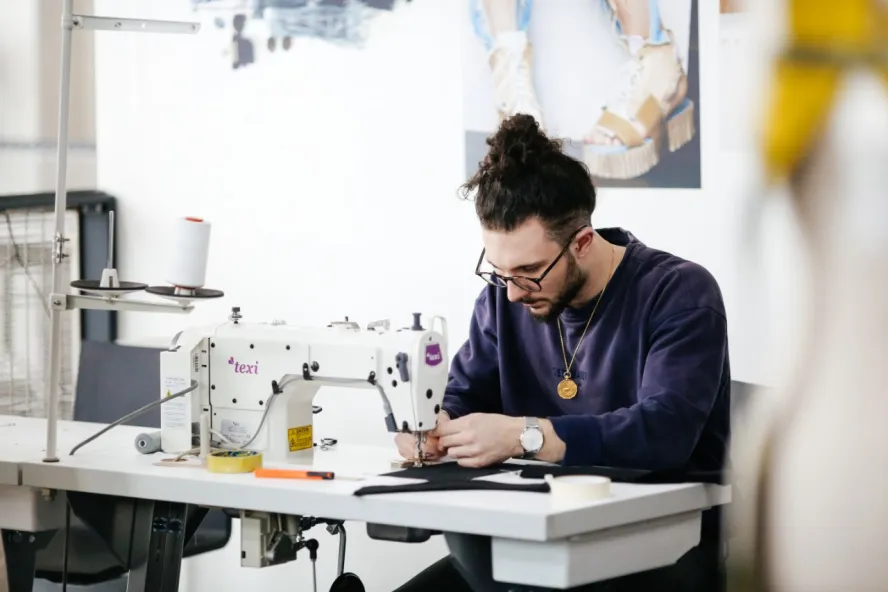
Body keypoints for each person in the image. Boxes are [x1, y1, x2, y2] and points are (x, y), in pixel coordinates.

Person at [393, 114, 730, 592]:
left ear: (583, 242)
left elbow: (665, 431)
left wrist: (525, 436)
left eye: (529, 272)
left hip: (654, 547)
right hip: (527, 538)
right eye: (499, 272)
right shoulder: (501, 299)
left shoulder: (678, 292)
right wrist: (434, 426)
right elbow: (464, 393)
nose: (513, 292)